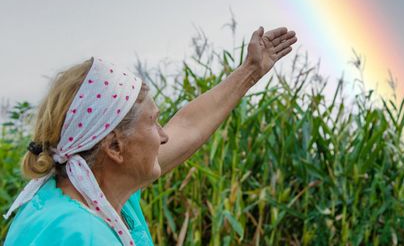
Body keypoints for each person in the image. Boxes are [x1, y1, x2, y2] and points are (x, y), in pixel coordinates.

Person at [3, 26, 297, 245]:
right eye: (154, 122)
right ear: (115, 146)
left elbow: (188, 127)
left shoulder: (89, 188)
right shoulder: (75, 234)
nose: (164, 136)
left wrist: (251, 71)